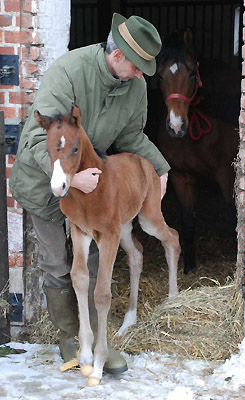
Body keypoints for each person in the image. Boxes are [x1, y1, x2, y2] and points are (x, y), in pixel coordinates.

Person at [10, 13, 170, 374]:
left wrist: (159, 167)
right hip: (45, 182)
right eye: (139, 65)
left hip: (93, 187)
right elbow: (40, 138)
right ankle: (70, 337)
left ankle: (98, 339)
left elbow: (131, 137)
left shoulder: (135, 87)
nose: (143, 74)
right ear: (117, 57)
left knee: (98, 258)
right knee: (57, 264)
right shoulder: (67, 72)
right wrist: (69, 178)